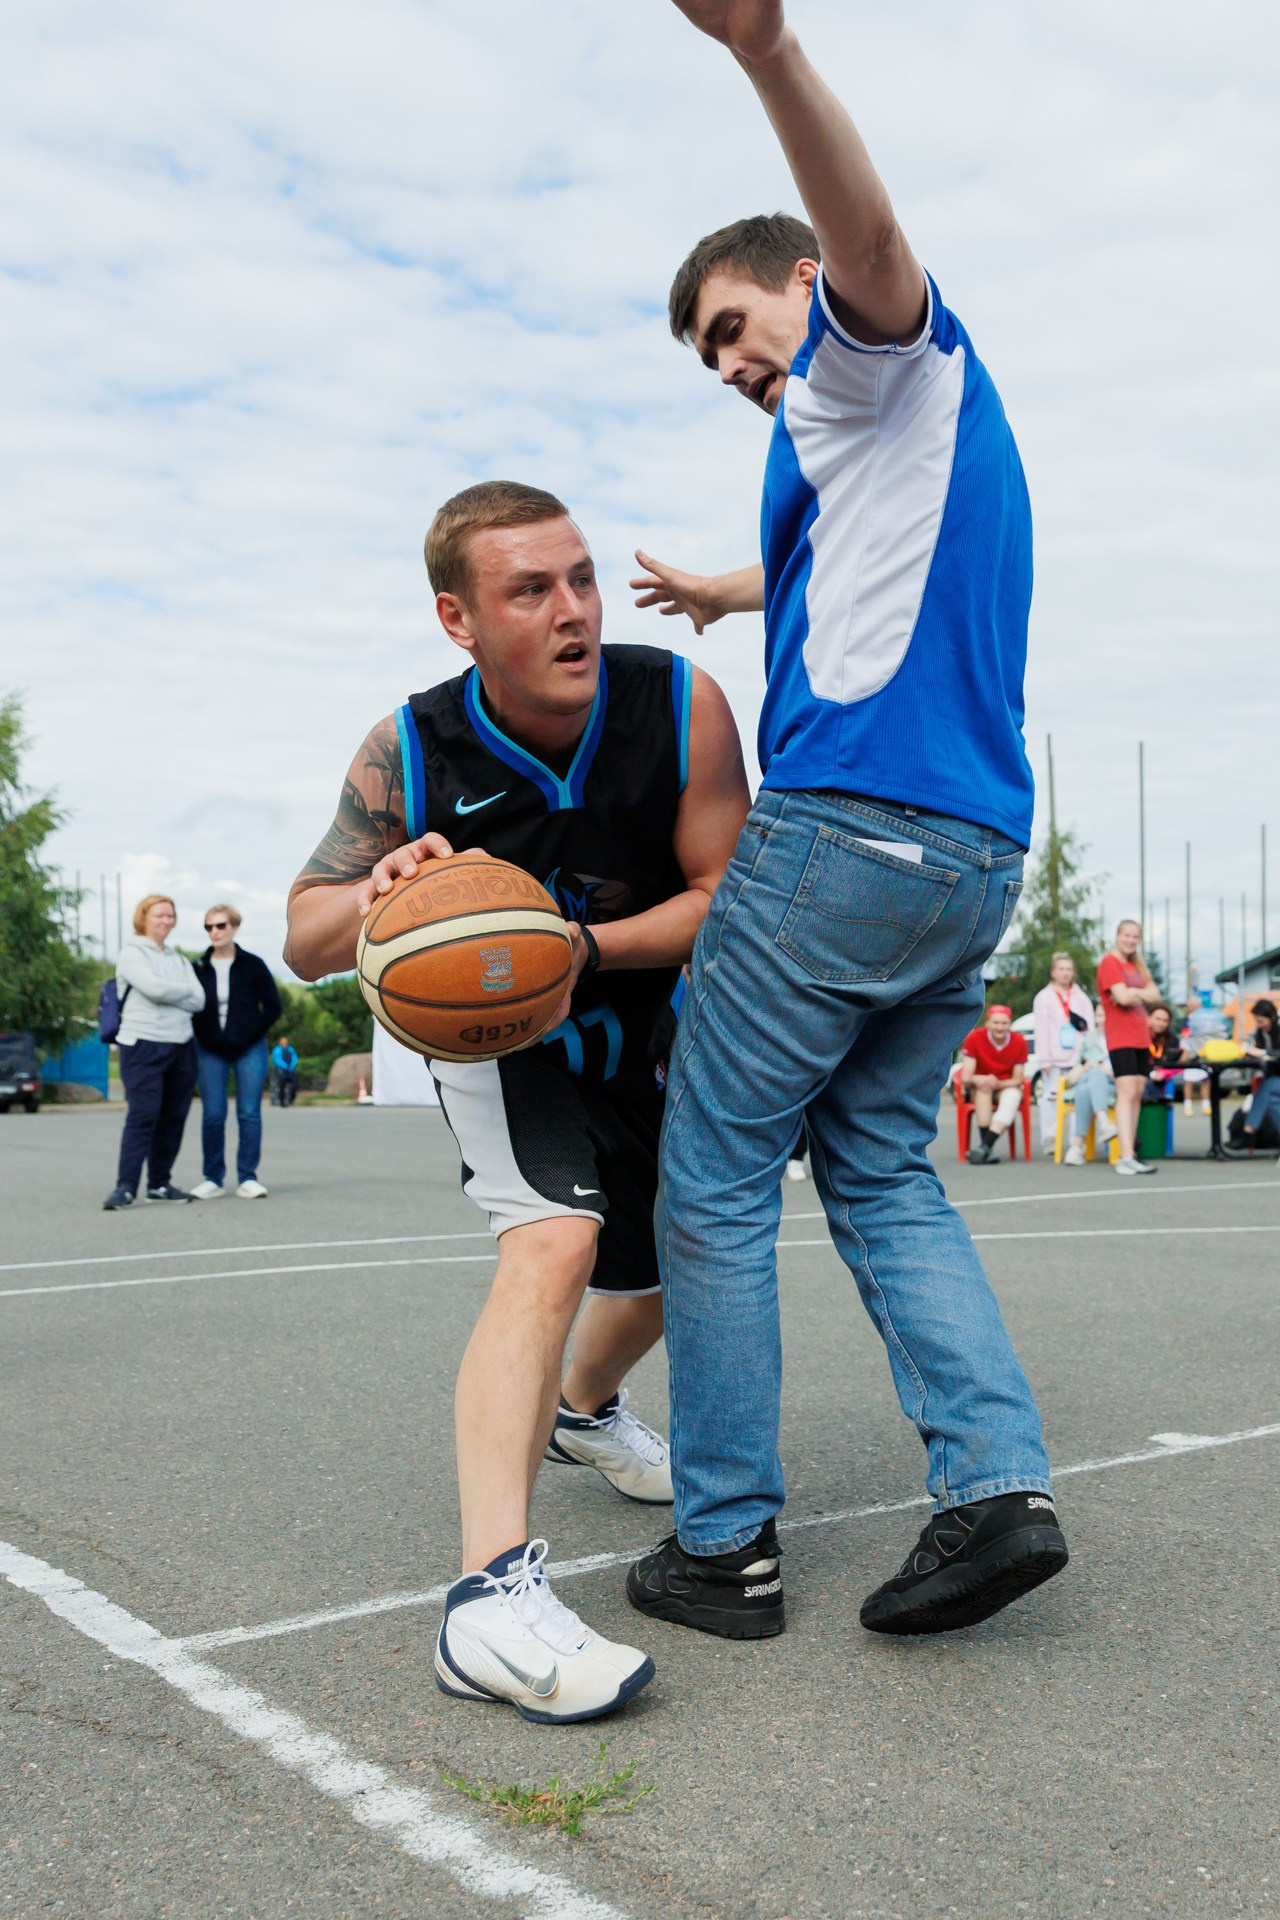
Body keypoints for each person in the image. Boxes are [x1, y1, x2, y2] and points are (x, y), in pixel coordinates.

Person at [625, 0, 1066, 1645]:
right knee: (879, 1170)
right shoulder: (899, 439)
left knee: (717, 1173)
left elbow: (873, 245)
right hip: (970, 858)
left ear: (802, 287)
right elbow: (824, 572)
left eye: (741, 323)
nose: (739, 363)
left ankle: (724, 1540)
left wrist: (764, 51)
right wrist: (721, 586)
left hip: (841, 838)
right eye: (713, 358)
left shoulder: (873, 344)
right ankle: (997, 1491)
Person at [284, 481, 751, 1722]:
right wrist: (380, 886)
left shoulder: (679, 703)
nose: (572, 608)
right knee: (552, 1240)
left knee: (674, 1264)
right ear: (458, 617)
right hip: (496, 1037)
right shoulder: (409, 748)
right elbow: (305, 936)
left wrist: (579, 952)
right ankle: (487, 1603)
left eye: (582, 578)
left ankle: (580, 1410)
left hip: (645, 1012)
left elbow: (725, 893)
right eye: (530, 589)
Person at [103, 894, 205, 1210]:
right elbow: (154, 989)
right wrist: (178, 992)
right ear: (143, 918)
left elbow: (199, 1000)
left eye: (170, 916)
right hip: (142, 1044)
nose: (165, 921)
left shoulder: (179, 960)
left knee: (174, 1117)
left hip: (181, 1045)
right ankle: (125, 1187)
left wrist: (169, 992)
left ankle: (159, 1183)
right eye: (159, 915)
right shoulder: (132, 954)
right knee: (143, 1115)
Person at [191, 906, 282, 1200]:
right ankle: (213, 1178)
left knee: (249, 1113)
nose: (214, 932)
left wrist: (246, 1036)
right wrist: (207, 1038)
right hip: (210, 1050)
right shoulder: (198, 968)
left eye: (220, 925)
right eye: (208, 927)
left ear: (234, 927)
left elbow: (273, 1007)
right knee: (213, 1114)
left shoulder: (253, 965)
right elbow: (189, 1009)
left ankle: (248, 1177)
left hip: (249, 1048)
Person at [1096, 921, 1163, 1175]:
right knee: (1125, 1094)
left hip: (1141, 1037)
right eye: (1127, 935)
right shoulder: (1109, 963)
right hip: (1120, 1037)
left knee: (1136, 1093)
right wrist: (1136, 993)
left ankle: (1131, 1153)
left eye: (1135, 936)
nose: (1131, 940)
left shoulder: (1137, 965)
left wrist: (1132, 992)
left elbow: (1155, 995)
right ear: (1118, 936)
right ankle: (1124, 1156)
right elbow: (1122, 999)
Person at [1031, 954, 1094, 1154]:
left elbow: (1089, 1027)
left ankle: (1076, 1141)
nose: (1065, 973)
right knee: (1050, 1098)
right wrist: (1044, 1059)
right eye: (1061, 969)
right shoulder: (1044, 997)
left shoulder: (1081, 997)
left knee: (1077, 1099)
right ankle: (1050, 1137)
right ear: (1053, 972)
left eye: (1068, 969)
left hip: (1077, 1058)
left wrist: (1089, 1055)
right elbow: (1041, 1029)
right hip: (1054, 1058)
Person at [959, 1006, 1029, 1166]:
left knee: (1013, 1094)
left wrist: (998, 1083)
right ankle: (986, 1148)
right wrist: (984, 1080)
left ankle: (984, 1147)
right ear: (988, 1023)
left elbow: (1018, 1079)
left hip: (1005, 1086)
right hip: (979, 1086)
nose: (1000, 1027)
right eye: (996, 1022)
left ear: (1009, 1024)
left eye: (1004, 1023)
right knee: (984, 1089)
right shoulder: (975, 1038)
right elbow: (966, 1077)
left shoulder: (1019, 1042)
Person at [1061, 1007, 1119, 1166]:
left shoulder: (1120, 1037)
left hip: (1113, 1085)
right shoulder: (1089, 1038)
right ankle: (1104, 1122)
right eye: (1099, 1015)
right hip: (1090, 1081)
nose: (1103, 1019)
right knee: (1090, 1080)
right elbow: (1083, 1062)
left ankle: (1077, 1146)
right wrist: (1090, 1067)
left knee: (1089, 1083)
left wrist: (1107, 1071)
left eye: (1106, 1015)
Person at [1143, 1004, 1208, 1111]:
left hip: (1161, 1080)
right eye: (1158, 1019)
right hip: (1143, 1078)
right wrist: (1145, 1030)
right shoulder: (1141, 1036)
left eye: (1165, 1020)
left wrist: (1164, 1073)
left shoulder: (1172, 1040)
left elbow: (1180, 1064)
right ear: (1149, 1018)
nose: (1161, 1023)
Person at [1237, 998, 1280, 1146]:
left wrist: (1262, 1052)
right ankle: (1248, 1132)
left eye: (1261, 1021)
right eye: (1257, 1021)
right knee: (1270, 1100)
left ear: (1272, 1017)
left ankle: (1248, 1132)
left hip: (1275, 1079)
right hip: (1273, 1079)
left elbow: (1272, 1054)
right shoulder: (1260, 1034)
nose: (1259, 1025)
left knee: (1265, 1088)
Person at [271, 1036, 299, 1107]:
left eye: (285, 1041)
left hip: (290, 1069)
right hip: (281, 1070)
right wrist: (284, 1066)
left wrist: (292, 1065)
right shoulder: (277, 1049)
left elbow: (294, 1057)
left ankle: (291, 1100)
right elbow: (277, 1059)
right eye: (283, 1041)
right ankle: (282, 1101)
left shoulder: (290, 1049)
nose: (284, 1042)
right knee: (281, 1086)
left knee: (294, 1085)